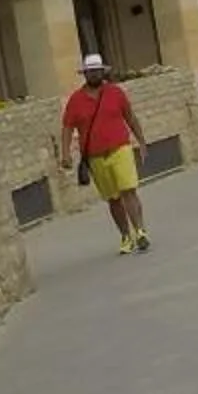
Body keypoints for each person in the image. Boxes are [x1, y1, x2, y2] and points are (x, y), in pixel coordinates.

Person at [61, 52, 150, 253]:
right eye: (90, 72)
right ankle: (126, 235)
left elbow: (130, 116)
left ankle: (140, 231)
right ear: (85, 74)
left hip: (120, 147)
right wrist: (65, 153)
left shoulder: (115, 92)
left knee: (129, 190)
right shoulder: (76, 100)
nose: (94, 75)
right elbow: (67, 127)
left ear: (102, 72)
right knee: (113, 198)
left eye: (97, 71)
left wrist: (142, 141)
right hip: (95, 155)